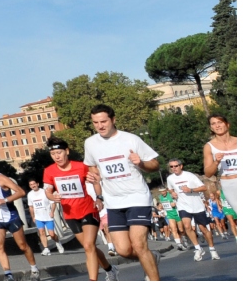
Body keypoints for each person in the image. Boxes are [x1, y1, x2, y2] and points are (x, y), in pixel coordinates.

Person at [83, 104, 161, 280]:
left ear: (113, 120)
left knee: (139, 245)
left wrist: (141, 163)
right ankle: (151, 256)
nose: (100, 126)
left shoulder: (131, 140)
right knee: (123, 250)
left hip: (137, 197)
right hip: (114, 201)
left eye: (104, 121)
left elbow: (155, 165)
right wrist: (95, 178)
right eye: (96, 122)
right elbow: (92, 168)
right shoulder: (90, 143)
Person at [42, 137, 116, 281]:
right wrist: (52, 198)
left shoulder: (81, 166)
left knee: (89, 246)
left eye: (59, 152)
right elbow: (48, 191)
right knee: (90, 248)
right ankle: (110, 269)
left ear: (67, 151)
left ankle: (93, 281)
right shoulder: (49, 171)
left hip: (88, 209)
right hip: (70, 214)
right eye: (53, 154)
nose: (57, 156)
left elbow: (96, 182)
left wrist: (99, 198)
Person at [0, 156, 39, 281]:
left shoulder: (1, 179)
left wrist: (4, 200)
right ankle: (8, 274)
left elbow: (21, 192)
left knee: (22, 246)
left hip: (10, 215)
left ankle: (34, 269)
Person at [165, 158, 217, 260]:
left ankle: (212, 249)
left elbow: (204, 188)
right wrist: (172, 193)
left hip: (196, 205)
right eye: (171, 167)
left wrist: (191, 190)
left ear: (181, 166)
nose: (174, 168)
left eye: (176, 166)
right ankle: (198, 249)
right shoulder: (170, 178)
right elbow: (170, 188)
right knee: (187, 226)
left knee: (203, 229)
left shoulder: (190, 176)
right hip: (182, 205)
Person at [203, 114, 236, 211]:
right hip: (228, 184)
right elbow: (208, 173)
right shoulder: (209, 146)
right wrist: (216, 162)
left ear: (227, 124)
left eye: (220, 122)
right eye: (213, 124)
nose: (217, 126)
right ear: (211, 128)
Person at [25, 179, 64, 256]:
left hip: (48, 216)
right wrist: (33, 216)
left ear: (37, 184)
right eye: (31, 184)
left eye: (34, 183)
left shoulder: (45, 192)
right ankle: (46, 249)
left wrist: (52, 212)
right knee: (41, 232)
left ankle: (57, 242)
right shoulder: (30, 194)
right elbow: (31, 207)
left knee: (52, 234)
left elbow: (53, 203)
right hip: (38, 217)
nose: (33, 185)